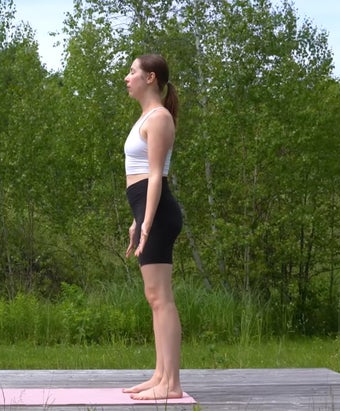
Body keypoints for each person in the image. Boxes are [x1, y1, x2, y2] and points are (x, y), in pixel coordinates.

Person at [121, 54, 183, 400]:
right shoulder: (147, 117)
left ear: (151, 78)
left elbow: (156, 176)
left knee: (161, 298)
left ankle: (172, 385)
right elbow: (142, 176)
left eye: (133, 72)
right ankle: (160, 375)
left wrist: (146, 224)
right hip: (149, 210)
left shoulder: (159, 118)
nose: (127, 77)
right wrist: (136, 221)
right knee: (154, 297)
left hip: (157, 213)